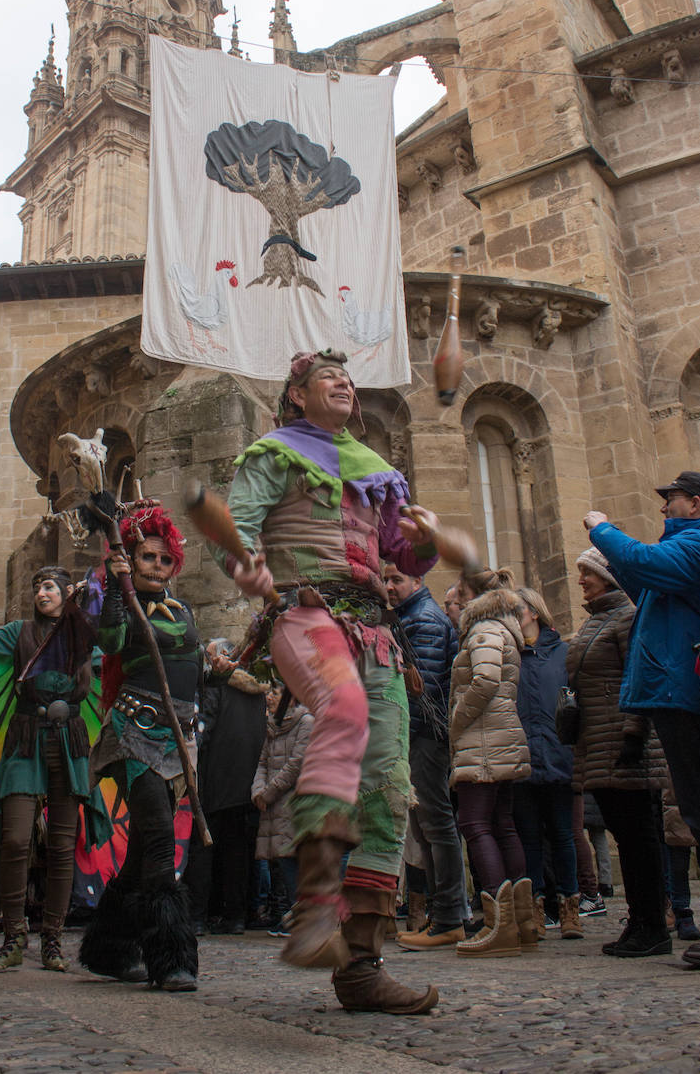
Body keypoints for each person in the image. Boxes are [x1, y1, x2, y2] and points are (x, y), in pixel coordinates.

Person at [221, 348, 475, 1014]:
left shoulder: (376, 473)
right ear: (297, 395)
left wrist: (425, 541)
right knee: (346, 709)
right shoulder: (272, 455)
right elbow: (238, 535)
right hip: (307, 616)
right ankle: (314, 899)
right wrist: (246, 564)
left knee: (390, 788)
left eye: (347, 378)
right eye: (324, 377)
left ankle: (360, 965)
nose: (343, 382)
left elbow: (401, 554)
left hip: (377, 633)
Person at [586, 471, 700, 969]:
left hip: (680, 690)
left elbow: (643, 561)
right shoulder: (686, 545)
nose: (663, 508)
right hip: (670, 689)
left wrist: (601, 530)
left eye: (670, 499)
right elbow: (641, 579)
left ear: (695, 503)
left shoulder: (696, 544)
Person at [0, 565, 106, 973]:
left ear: (66, 593)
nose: (42, 592)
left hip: (70, 740)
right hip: (25, 736)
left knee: (60, 846)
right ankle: (13, 937)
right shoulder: (19, 632)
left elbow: (119, 662)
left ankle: (52, 941)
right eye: (38, 586)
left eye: (51, 586)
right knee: (16, 839)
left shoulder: (84, 636)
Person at [79, 503, 201, 992]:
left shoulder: (184, 610)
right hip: (134, 734)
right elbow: (108, 640)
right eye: (145, 556)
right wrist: (113, 584)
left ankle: (109, 948)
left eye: (164, 559)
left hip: (179, 739)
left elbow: (193, 666)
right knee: (156, 840)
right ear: (130, 556)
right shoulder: (122, 603)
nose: (155, 565)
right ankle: (170, 958)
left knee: (139, 857)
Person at [568, 547, 670, 958]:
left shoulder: (626, 617)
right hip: (601, 743)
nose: (581, 581)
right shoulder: (600, 620)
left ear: (607, 577)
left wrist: (633, 734)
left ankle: (653, 925)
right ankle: (640, 921)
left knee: (639, 839)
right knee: (628, 838)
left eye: (586, 574)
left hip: (625, 745)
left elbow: (640, 675)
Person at [449, 585, 534, 957]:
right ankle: (522, 922)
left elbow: (485, 680)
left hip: (483, 739)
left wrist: (457, 718)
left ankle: (498, 925)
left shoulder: (484, 630)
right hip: (501, 736)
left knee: (474, 823)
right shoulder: (506, 629)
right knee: (502, 823)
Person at [384, 565, 466, 949]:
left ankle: (449, 916)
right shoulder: (409, 617)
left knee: (436, 823)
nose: (389, 586)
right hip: (419, 735)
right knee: (427, 826)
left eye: (396, 579)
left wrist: (403, 736)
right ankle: (441, 915)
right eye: (385, 579)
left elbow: (423, 690)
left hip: (425, 736)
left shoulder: (425, 620)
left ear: (417, 581)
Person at [511, 588, 582, 942]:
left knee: (563, 835)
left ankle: (570, 906)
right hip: (522, 756)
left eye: (518, 609)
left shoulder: (563, 653)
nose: (514, 616)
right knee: (529, 840)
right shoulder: (510, 655)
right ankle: (537, 907)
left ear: (534, 612)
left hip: (556, 754)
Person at [184, 638, 268, 936]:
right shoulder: (257, 691)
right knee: (237, 851)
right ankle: (235, 916)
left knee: (204, 847)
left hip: (216, 779)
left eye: (209, 656)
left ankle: (197, 916)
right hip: (245, 783)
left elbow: (203, 728)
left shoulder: (217, 687)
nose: (207, 663)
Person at [252, 684, 314, 934]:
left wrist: (269, 791)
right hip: (273, 802)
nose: (269, 697)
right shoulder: (273, 725)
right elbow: (263, 761)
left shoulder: (305, 722)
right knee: (283, 857)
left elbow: (296, 763)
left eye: (275, 693)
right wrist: (257, 791)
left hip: (294, 800)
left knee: (294, 857)